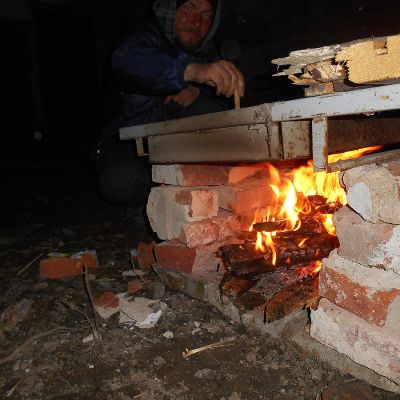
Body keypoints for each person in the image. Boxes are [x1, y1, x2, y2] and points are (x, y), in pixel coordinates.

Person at [96, 0, 245, 208]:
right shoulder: (143, 38)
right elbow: (126, 62)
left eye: (206, 14)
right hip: (132, 145)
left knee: (212, 113)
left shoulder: (209, 52)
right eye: (189, 8)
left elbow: (223, 103)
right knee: (122, 182)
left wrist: (198, 90)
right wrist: (191, 71)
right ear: (170, 10)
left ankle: (200, 197)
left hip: (176, 145)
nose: (196, 21)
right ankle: (155, 203)